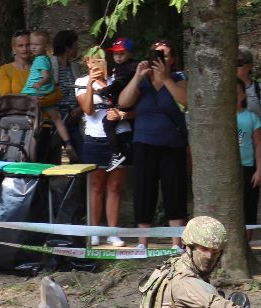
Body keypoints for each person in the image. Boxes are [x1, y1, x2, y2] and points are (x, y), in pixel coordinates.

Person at [114, 38, 189, 248]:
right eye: (157, 54)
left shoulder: (179, 78)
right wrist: (138, 77)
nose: (161, 58)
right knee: (144, 191)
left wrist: (165, 79)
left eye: (165, 54)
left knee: (174, 191)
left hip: (172, 143)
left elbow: (185, 100)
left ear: (172, 59)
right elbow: (123, 102)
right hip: (144, 142)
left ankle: (176, 242)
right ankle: (142, 242)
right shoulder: (143, 81)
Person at [76, 53, 125, 247]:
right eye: (93, 60)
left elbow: (123, 104)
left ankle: (113, 233)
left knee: (115, 186)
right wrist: (91, 83)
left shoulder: (116, 80)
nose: (98, 63)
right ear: (87, 62)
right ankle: (95, 231)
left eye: (101, 59)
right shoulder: (81, 82)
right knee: (96, 185)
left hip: (118, 136)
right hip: (94, 138)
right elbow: (88, 110)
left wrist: (105, 85)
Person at [22, 30, 73, 157]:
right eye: (31, 44)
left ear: (46, 46)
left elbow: (46, 76)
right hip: (43, 94)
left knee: (29, 118)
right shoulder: (46, 59)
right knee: (57, 119)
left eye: (37, 45)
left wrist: (39, 83)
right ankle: (68, 143)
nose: (33, 47)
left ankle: (29, 144)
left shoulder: (40, 59)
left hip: (32, 92)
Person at [237, 46, 261, 174]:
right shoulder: (223, 91)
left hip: (253, 157)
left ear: (249, 66)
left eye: (238, 63)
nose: (234, 67)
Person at [236, 78, 261, 237]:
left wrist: (260, 170)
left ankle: (248, 241)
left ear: (243, 95)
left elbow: (259, 145)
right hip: (228, 170)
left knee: (249, 206)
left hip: (248, 167)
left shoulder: (251, 118)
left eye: (237, 93)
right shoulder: (220, 119)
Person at [103, 36, 137, 173]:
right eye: (115, 54)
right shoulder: (121, 67)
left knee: (107, 122)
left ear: (130, 54)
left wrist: (105, 91)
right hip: (123, 103)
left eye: (121, 53)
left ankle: (116, 153)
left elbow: (119, 84)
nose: (118, 57)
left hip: (127, 103)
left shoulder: (128, 67)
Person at [52, 30, 82, 161]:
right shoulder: (50, 65)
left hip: (72, 117)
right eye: (75, 45)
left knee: (80, 156)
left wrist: (80, 109)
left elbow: (81, 91)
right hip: (55, 119)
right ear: (67, 47)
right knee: (52, 159)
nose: (78, 48)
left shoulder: (75, 67)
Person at [0, 29, 29, 96]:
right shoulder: (6, 69)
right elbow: (5, 95)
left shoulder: (39, 67)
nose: (25, 49)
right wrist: (29, 97)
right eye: (20, 45)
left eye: (28, 45)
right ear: (14, 48)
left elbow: (52, 94)